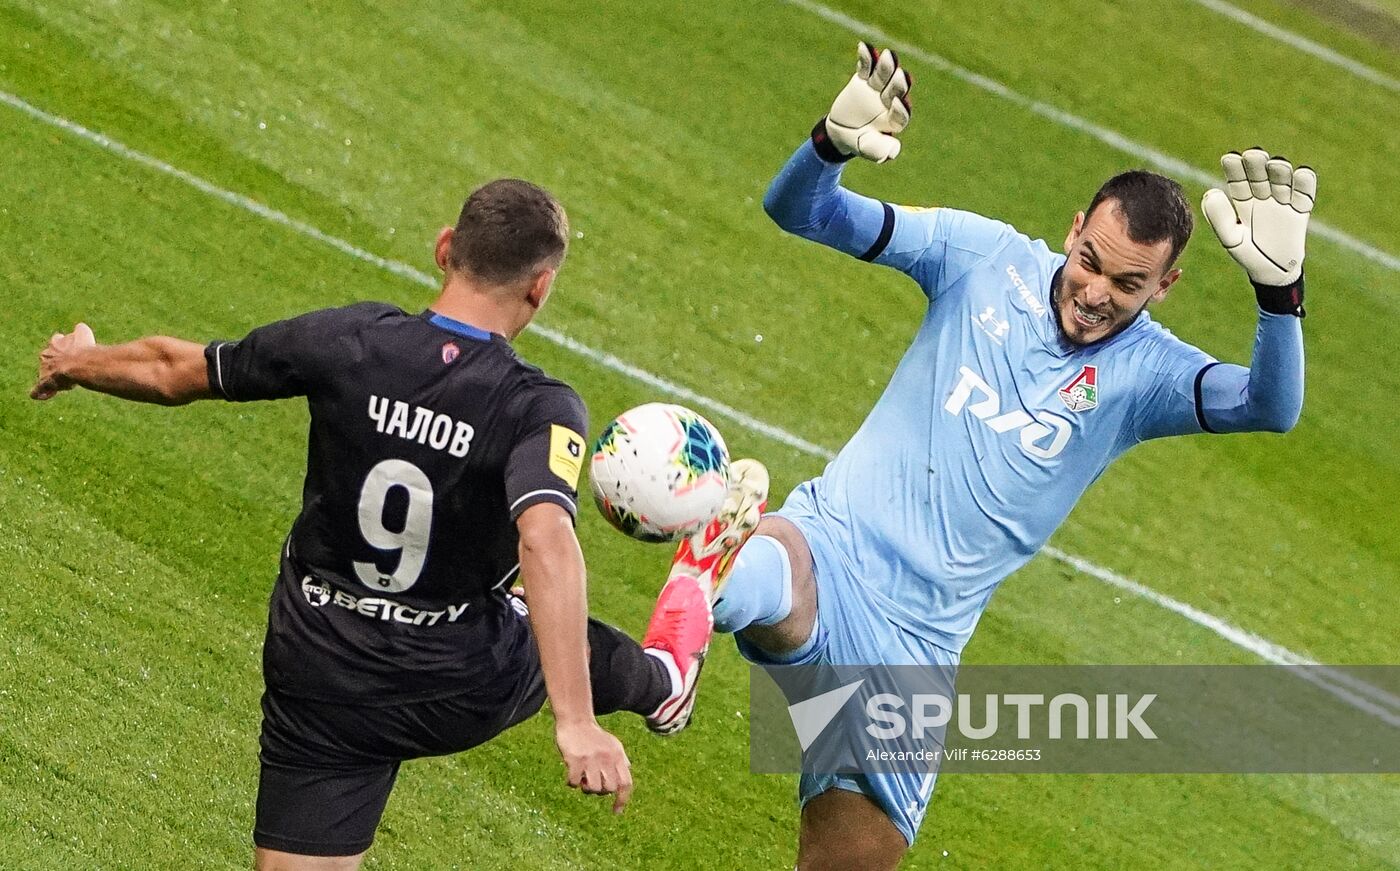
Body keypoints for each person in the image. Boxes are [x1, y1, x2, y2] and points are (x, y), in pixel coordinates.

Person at [685, 44, 1312, 869]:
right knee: (776, 563)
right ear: (1073, 230)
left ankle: (708, 596)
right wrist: (827, 150)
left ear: (1165, 287)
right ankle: (694, 612)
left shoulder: (1149, 374)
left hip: (916, 646)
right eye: (1090, 261)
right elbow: (801, 212)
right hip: (833, 545)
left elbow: (1270, 406)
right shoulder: (981, 257)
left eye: (1126, 285)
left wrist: (1280, 298)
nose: (1095, 292)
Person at [29, 179, 724, 871]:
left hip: (317, 661)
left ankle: (653, 678)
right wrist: (576, 724)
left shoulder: (347, 338)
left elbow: (176, 367)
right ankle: (663, 680)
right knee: (526, 610)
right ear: (539, 288)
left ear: (444, 248)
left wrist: (75, 361)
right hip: (448, 680)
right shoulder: (536, 406)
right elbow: (545, 538)